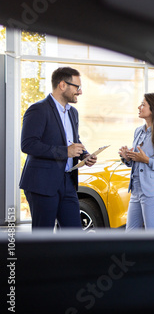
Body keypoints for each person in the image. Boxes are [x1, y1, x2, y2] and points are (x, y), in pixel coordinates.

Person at [19, 67, 97, 230]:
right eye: (77, 87)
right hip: (42, 183)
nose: (80, 92)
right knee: (43, 237)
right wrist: (65, 152)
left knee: (74, 234)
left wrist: (84, 155)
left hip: (68, 182)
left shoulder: (73, 113)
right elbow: (28, 144)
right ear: (62, 85)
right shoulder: (38, 110)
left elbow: (73, 141)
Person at [119, 93, 154, 231]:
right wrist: (127, 157)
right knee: (130, 233)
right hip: (136, 191)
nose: (139, 107)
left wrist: (146, 160)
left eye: (143, 104)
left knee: (153, 235)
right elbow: (136, 161)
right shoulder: (138, 131)